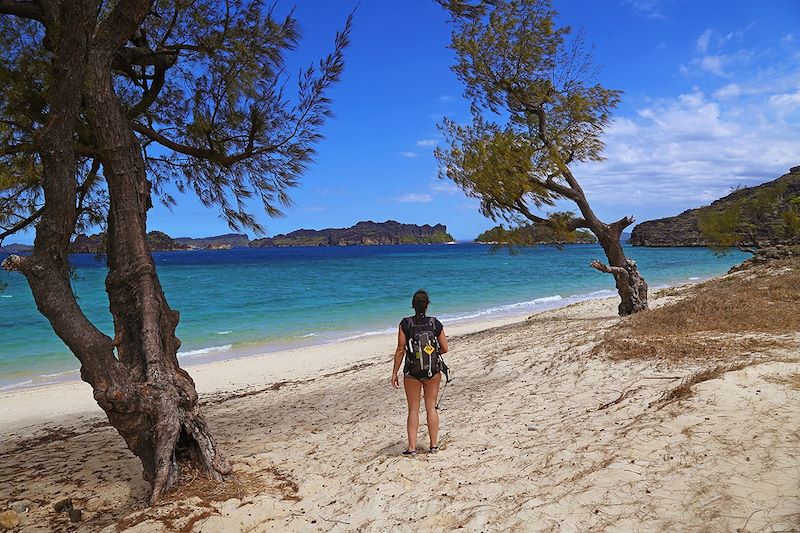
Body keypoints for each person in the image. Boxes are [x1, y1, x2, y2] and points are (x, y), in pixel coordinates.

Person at [391, 289, 449, 456]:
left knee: (413, 410)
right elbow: (445, 348)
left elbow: (400, 350)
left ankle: (412, 448)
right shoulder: (434, 323)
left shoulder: (405, 323)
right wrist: (430, 354)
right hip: (433, 371)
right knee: (431, 407)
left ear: (413, 306)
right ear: (427, 305)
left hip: (411, 372)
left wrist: (394, 373)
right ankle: (433, 446)